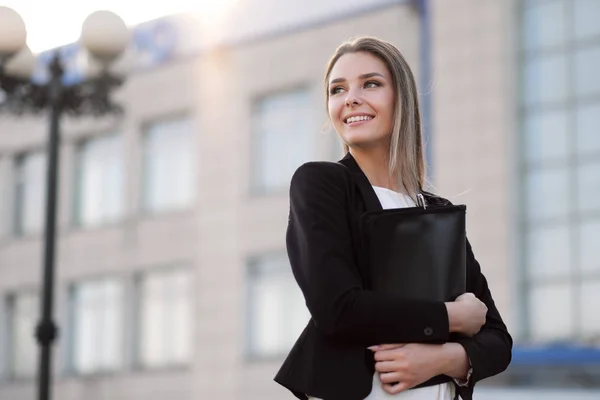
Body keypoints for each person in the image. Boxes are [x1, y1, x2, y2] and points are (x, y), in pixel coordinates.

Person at [274, 37, 512, 400]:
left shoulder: (435, 210)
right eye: (337, 89)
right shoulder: (321, 183)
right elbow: (338, 309)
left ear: (400, 98)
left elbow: (497, 339)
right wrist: (451, 318)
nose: (351, 97)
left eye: (370, 83)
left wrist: (445, 358)